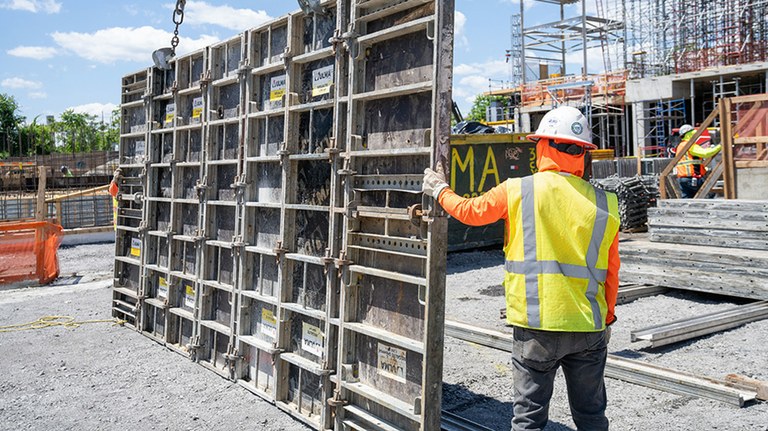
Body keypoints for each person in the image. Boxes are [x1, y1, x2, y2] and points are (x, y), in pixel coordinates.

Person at [423, 106, 620, 431]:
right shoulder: (605, 203)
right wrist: (607, 316)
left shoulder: (517, 190)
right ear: (584, 153)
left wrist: (439, 190)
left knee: (528, 420)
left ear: (542, 146)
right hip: (589, 328)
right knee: (591, 417)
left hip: (536, 329)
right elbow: (611, 273)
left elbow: (470, 212)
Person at [674, 124, 722, 198]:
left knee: (687, 200)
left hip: (683, 178)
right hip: (692, 178)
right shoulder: (689, 145)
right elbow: (705, 153)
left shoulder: (681, 145)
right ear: (690, 134)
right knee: (708, 196)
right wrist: (720, 146)